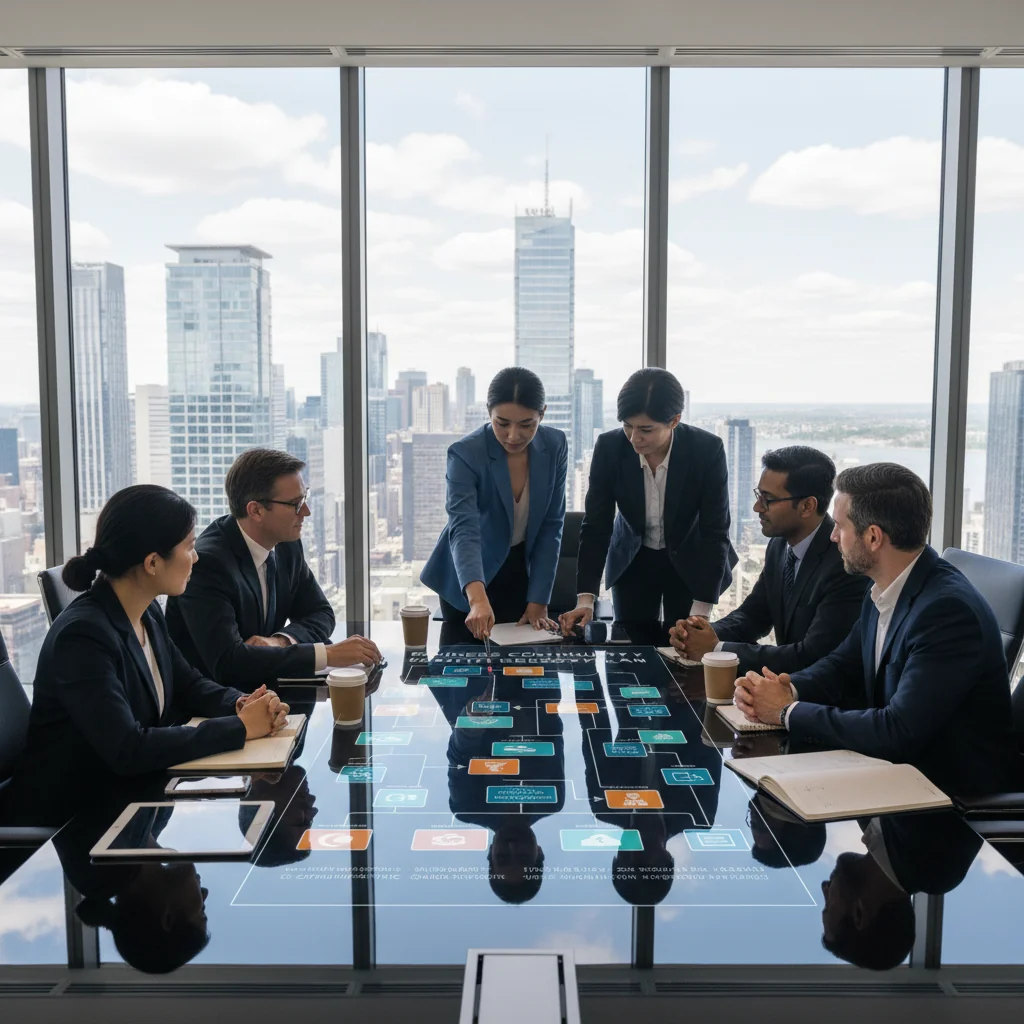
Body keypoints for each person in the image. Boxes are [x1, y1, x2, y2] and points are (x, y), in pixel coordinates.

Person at [0, 485, 287, 826]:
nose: (196, 558)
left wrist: (241, 704)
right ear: (152, 562)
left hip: (128, 798)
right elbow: (128, 748)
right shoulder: (83, 637)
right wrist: (239, 728)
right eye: (189, 548)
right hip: (72, 819)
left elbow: (189, 685)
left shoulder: (145, 611)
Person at [735, 463, 1019, 797]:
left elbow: (897, 731)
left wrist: (786, 712)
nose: (833, 536)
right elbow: (843, 665)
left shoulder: (947, 612)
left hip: (945, 795)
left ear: (873, 537)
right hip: (895, 775)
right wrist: (786, 690)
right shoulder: (884, 585)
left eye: (840, 526)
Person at [167, 449, 380, 686]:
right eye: (295, 504)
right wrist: (326, 655)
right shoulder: (207, 564)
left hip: (267, 693)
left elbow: (321, 613)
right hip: (213, 709)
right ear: (256, 510)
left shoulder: (286, 544)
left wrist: (280, 641)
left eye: (304, 499)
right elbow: (229, 663)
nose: (306, 512)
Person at [560, 368, 736, 644]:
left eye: (646, 429)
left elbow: (716, 530)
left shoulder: (706, 450)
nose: (633, 438)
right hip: (634, 557)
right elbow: (596, 526)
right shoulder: (610, 447)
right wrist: (585, 600)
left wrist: (701, 611)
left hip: (692, 559)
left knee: (685, 646)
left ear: (674, 421)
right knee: (631, 645)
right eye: (627, 425)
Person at [669, 446, 869, 675]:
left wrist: (716, 648)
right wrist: (697, 634)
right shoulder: (779, 545)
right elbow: (753, 616)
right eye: (759, 496)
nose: (757, 507)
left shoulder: (844, 562)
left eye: (768, 500)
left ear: (807, 506)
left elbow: (813, 655)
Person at [421, 367, 568, 644]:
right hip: (469, 574)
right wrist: (477, 599)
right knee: (469, 669)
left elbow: (552, 524)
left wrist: (538, 599)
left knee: (523, 671)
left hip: (519, 571)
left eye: (527, 424)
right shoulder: (466, 453)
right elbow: (464, 530)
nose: (514, 435)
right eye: (503, 423)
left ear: (542, 414)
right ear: (488, 412)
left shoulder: (555, 445)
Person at [821, 811, 982, 970]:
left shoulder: (871, 826)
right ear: (859, 914)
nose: (824, 888)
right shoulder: (934, 867)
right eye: (828, 906)